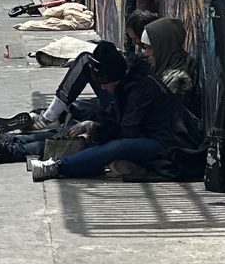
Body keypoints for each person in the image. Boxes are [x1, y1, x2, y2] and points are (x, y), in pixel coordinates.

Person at [26, 50, 197, 181]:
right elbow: (114, 117)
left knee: (118, 146)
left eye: (105, 84)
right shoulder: (126, 83)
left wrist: (95, 130)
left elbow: (127, 131)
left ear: (114, 78)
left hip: (171, 144)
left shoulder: (141, 89)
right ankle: (15, 146)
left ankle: (57, 167)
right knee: (79, 131)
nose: (103, 89)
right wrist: (92, 127)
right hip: (152, 135)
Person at [0, 41, 120, 164]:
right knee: (76, 116)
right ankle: (10, 137)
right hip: (115, 114)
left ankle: (7, 151)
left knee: (76, 136)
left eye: (143, 47)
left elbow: (126, 131)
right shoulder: (130, 81)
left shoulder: (135, 93)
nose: (143, 52)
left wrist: (94, 127)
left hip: (121, 136)